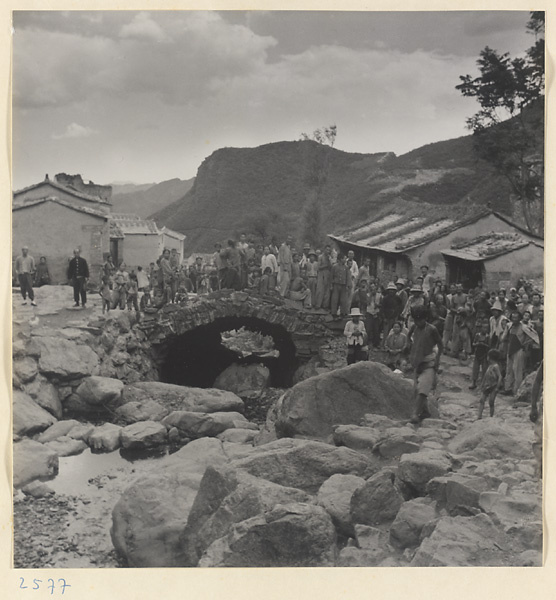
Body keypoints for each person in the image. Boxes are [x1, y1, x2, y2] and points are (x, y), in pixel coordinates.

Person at [406, 304, 443, 424]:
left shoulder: (432, 329)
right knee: (417, 390)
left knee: (423, 389)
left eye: (420, 320)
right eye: (416, 320)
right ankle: (425, 411)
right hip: (418, 362)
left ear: (425, 319)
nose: (418, 323)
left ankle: (415, 413)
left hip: (429, 362)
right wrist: (409, 345)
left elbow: (441, 345)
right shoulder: (414, 327)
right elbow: (408, 336)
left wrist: (437, 360)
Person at [500, 310, 539, 396]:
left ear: (519, 318)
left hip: (519, 350)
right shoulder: (509, 325)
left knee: (517, 370)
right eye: (513, 317)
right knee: (509, 369)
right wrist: (503, 340)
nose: (514, 319)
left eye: (516, 318)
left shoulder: (524, 327)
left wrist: (526, 344)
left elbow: (534, 336)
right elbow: (504, 336)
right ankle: (508, 388)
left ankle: (517, 391)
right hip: (510, 350)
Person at [477, 349, 503, 419]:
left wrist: (497, 386)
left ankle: (491, 416)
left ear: (489, 357)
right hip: (486, 385)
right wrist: (482, 384)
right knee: (482, 400)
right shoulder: (490, 366)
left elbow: (500, 376)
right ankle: (479, 415)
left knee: (491, 402)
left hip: (493, 386)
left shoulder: (495, 366)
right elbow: (485, 376)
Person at [470, 320, 491, 389]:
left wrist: (483, 345)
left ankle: (483, 383)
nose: (485, 329)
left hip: (484, 355)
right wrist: (477, 344)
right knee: (475, 368)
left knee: (484, 369)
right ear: (481, 328)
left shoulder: (488, 337)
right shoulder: (477, 335)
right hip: (477, 354)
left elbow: (489, 346)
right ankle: (473, 382)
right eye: (484, 328)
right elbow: (473, 344)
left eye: (486, 328)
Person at [380, 282, 402, 347]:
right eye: (390, 290)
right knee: (386, 332)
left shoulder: (397, 298)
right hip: (387, 317)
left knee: (394, 331)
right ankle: (384, 345)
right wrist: (384, 318)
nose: (391, 291)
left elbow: (400, 306)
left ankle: (393, 345)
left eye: (393, 290)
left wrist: (397, 313)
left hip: (394, 316)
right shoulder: (385, 298)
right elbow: (382, 309)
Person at [330, 253, 351, 318]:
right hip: (336, 285)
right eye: (344, 258)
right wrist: (331, 285)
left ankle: (343, 313)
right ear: (341, 259)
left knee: (343, 300)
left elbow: (348, 277)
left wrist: (348, 286)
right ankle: (334, 313)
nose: (345, 260)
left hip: (343, 285)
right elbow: (331, 276)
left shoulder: (346, 268)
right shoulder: (334, 266)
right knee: (335, 299)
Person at [365, 282, 382, 348]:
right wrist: (371, 296)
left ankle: (376, 343)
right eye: (371, 288)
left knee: (376, 329)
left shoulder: (379, 295)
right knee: (368, 328)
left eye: (374, 287)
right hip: (369, 313)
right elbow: (367, 303)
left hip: (376, 313)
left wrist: (378, 305)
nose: (373, 289)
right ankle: (366, 342)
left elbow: (381, 305)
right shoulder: (368, 295)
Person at [315, 245, 333, 309]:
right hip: (321, 274)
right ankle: (318, 305)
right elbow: (318, 267)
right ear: (324, 249)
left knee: (327, 291)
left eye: (329, 250)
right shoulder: (320, 257)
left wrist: (330, 262)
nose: (328, 251)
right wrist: (325, 265)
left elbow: (331, 267)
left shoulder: (330, 258)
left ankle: (325, 305)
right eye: (327, 249)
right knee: (320, 290)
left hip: (328, 274)